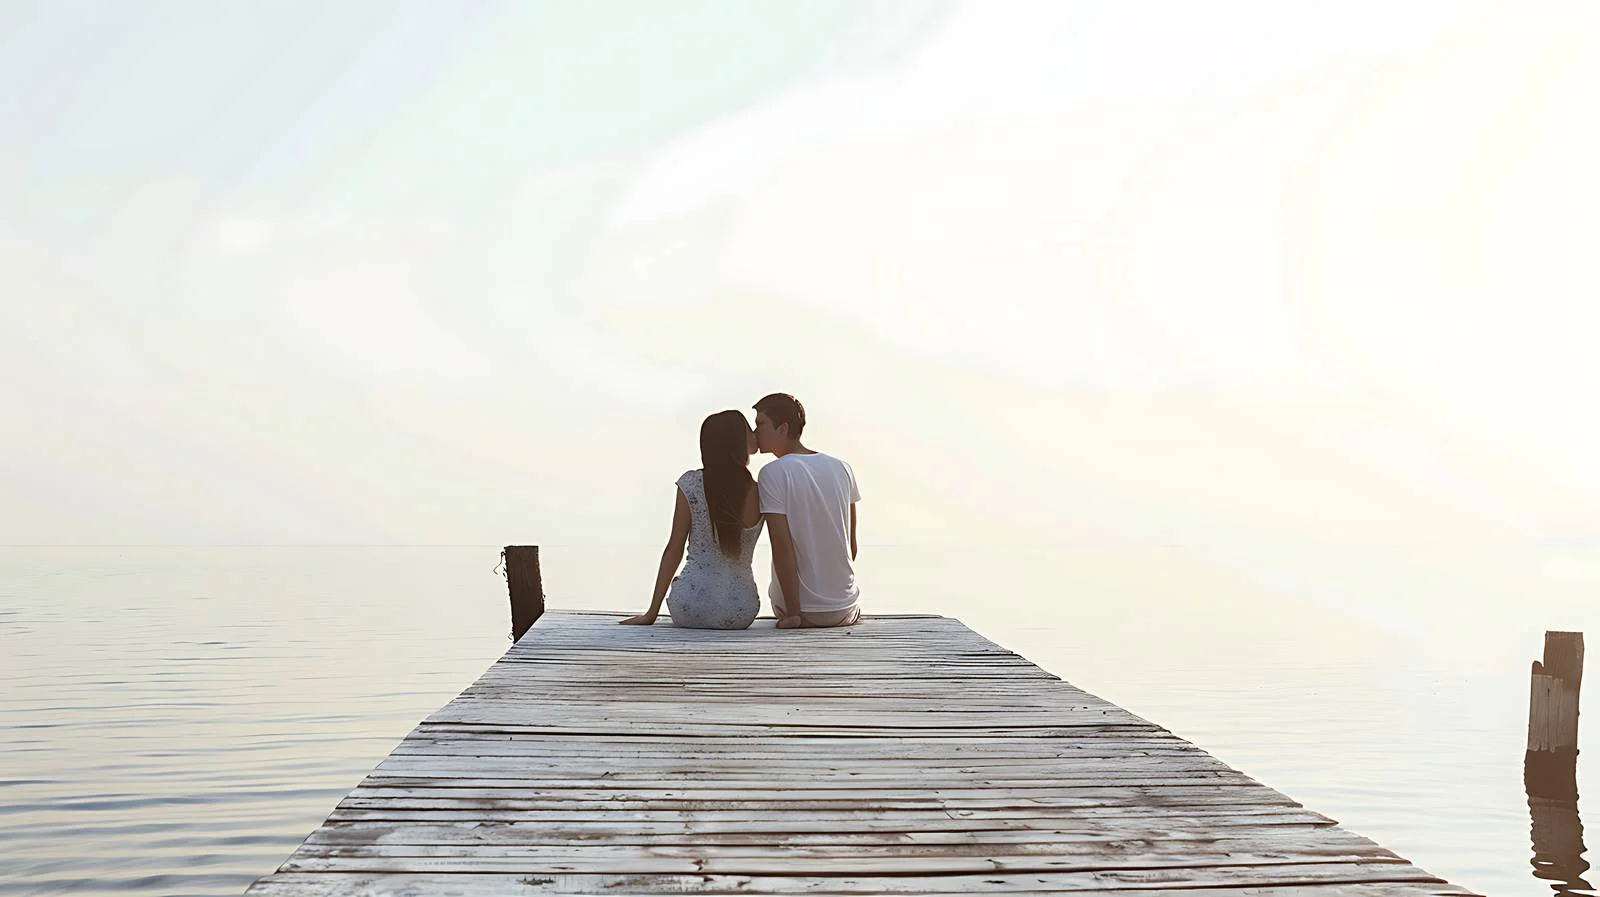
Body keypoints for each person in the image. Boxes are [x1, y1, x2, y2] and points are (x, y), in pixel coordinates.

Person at [621, 410, 764, 629]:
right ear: (737, 440)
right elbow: (784, 547)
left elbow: (674, 549)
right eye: (748, 429)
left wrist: (651, 613)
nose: (755, 433)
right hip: (740, 611)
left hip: (689, 606)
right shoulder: (761, 491)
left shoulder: (691, 484)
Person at [753, 393, 861, 629]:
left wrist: (793, 613)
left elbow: (781, 547)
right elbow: (850, 547)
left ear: (782, 429)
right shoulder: (842, 468)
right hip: (846, 609)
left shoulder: (773, 473)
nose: (754, 432)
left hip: (803, 611)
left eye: (760, 424)